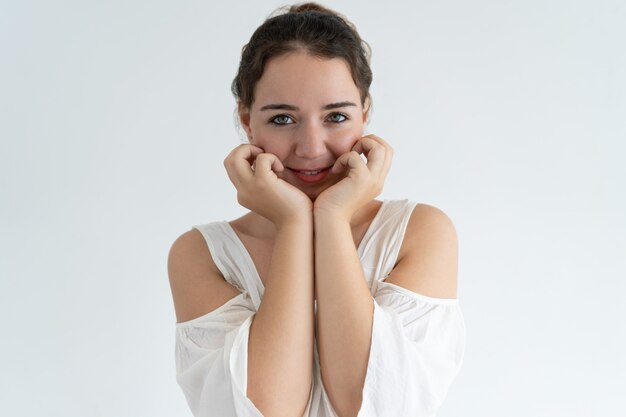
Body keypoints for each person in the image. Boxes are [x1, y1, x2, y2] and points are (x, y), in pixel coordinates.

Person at [168, 3, 466, 417]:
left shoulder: (419, 233)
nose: (310, 148)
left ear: (365, 114)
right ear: (247, 120)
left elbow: (376, 403)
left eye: (337, 116)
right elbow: (269, 411)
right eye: (283, 119)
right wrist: (293, 224)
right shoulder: (201, 254)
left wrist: (331, 218)